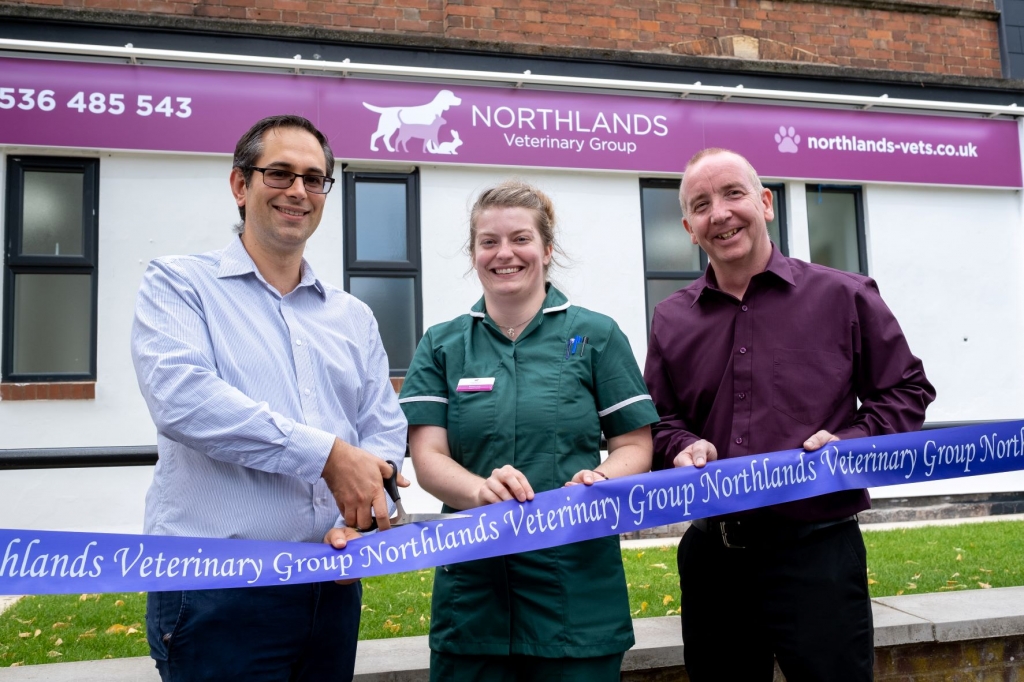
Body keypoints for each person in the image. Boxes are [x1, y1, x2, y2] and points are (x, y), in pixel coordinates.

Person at [131, 114, 408, 681]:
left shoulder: (352, 317)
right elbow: (184, 399)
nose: (298, 191)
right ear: (240, 185)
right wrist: (328, 455)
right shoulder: (179, 284)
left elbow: (383, 427)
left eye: (314, 178)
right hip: (216, 593)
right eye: (279, 174)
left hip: (329, 582)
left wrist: (364, 513)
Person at [643, 148, 936, 681]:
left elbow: (907, 389)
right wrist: (680, 444)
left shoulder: (844, 296)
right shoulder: (670, 319)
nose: (721, 213)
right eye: (701, 205)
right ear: (689, 227)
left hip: (818, 554)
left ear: (766, 202)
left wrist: (854, 438)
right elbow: (659, 421)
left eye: (733, 193)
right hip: (715, 561)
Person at [398, 179, 659, 681]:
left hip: (576, 593)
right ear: (473, 253)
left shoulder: (595, 335)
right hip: (473, 595)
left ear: (546, 249)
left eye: (520, 238)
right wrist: (477, 490)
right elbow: (427, 455)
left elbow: (634, 443)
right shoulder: (442, 344)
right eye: (488, 241)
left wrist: (601, 479)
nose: (504, 254)